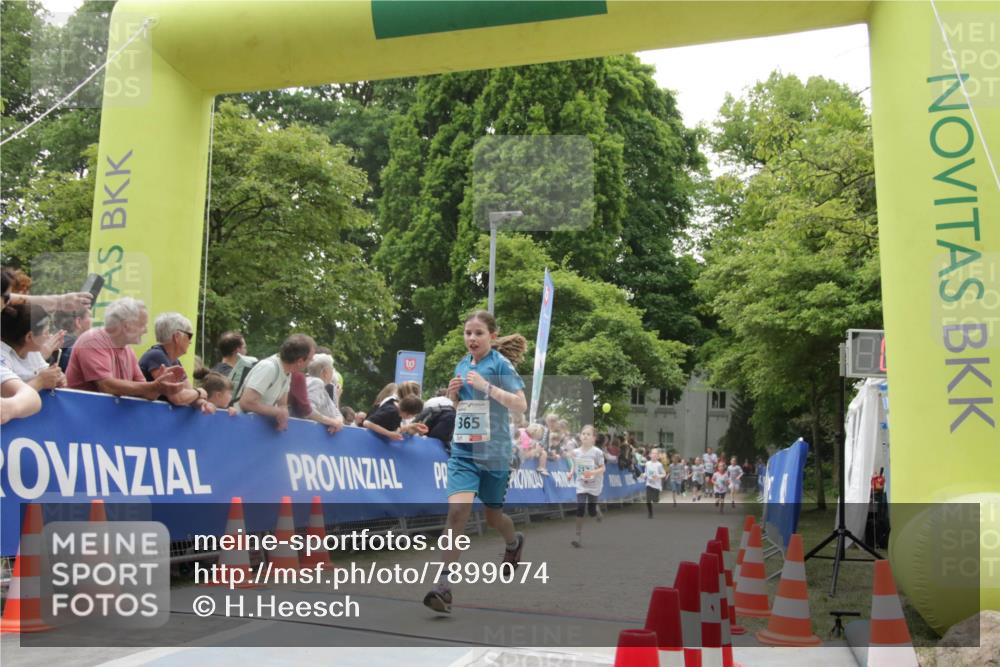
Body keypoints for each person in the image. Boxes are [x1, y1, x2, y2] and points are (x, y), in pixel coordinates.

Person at [423, 310, 527, 615]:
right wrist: (453, 398)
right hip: (464, 451)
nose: (472, 338)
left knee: (494, 518)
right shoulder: (461, 364)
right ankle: (443, 584)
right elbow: (463, 408)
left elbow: (520, 404)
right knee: (457, 513)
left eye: (478, 333)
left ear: (491, 337)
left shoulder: (500, 365)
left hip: (493, 453)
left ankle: (513, 542)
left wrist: (486, 387)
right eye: (468, 333)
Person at [65, 297, 186, 401]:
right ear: (127, 325)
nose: (146, 331)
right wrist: (154, 386)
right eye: (142, 325)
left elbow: (148, 393)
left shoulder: (128, 350)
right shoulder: (93, 341)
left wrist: (161, 383)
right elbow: (107, 387)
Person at [138, 312, 215, 412]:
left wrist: (203, 403)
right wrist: (199, 392)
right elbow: (177, 397)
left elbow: (189, 394)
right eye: (189, 336)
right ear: (177, 337)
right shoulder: (156, 355)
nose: (191, 341)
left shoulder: (174, 360)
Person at [237, 333, 315, 431]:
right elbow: (246, 402)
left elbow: (282, 405)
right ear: (300, 361)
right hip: (240, 426)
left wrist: (282, 417)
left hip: (255, 428)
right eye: (310, 359)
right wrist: (278, 412)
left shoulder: (287, 373)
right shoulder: (269, 367)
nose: (311, 362)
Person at [1, 303, 67, 392]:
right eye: (46, 332)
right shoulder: (3, 360)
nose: (49, 336)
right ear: (29, 337)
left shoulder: (32, 351)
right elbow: (13, 397)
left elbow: (45, 372)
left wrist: (57, 377)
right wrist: (41, 381)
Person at [568, 425, 605, 548]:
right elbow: (575, 465)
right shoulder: (576, 452)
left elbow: (603, 468)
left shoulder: (597, 452)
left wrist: (592, 473)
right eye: (583, 433)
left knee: (592, 512)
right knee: (580, 507)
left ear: (594, 438)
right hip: (581, 484)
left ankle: (597, 511)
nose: (585, 436)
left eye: (588, 434)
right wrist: (571, 472)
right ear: (580, 436)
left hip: (594, 484)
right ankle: (577, 536)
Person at [305, 353, 345, 431]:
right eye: (332, 369)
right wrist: (332, 422)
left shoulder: (322, 387)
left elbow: (337, 413)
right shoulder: (316, 382)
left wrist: (338, 423)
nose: (333, 373)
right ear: (325, 372)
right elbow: (308, 410)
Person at [53, 306, 92, 373]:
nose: (92, 320)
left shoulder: (48, 348)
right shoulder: (79, 352)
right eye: (90, 316)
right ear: (78, 322)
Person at [643, 448, 665, 518]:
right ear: (650, 455)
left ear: (658, 456)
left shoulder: (659, 465)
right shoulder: (647, 463)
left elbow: (664, 474)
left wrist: (658, 476)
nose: (654, 455)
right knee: (648, 500)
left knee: (655, 500)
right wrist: (643, 475)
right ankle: (650, 513)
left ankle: (656, 498)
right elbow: (646, 473)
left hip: (656, 485)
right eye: (653, 453)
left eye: (656, 454)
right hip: (649, 484)